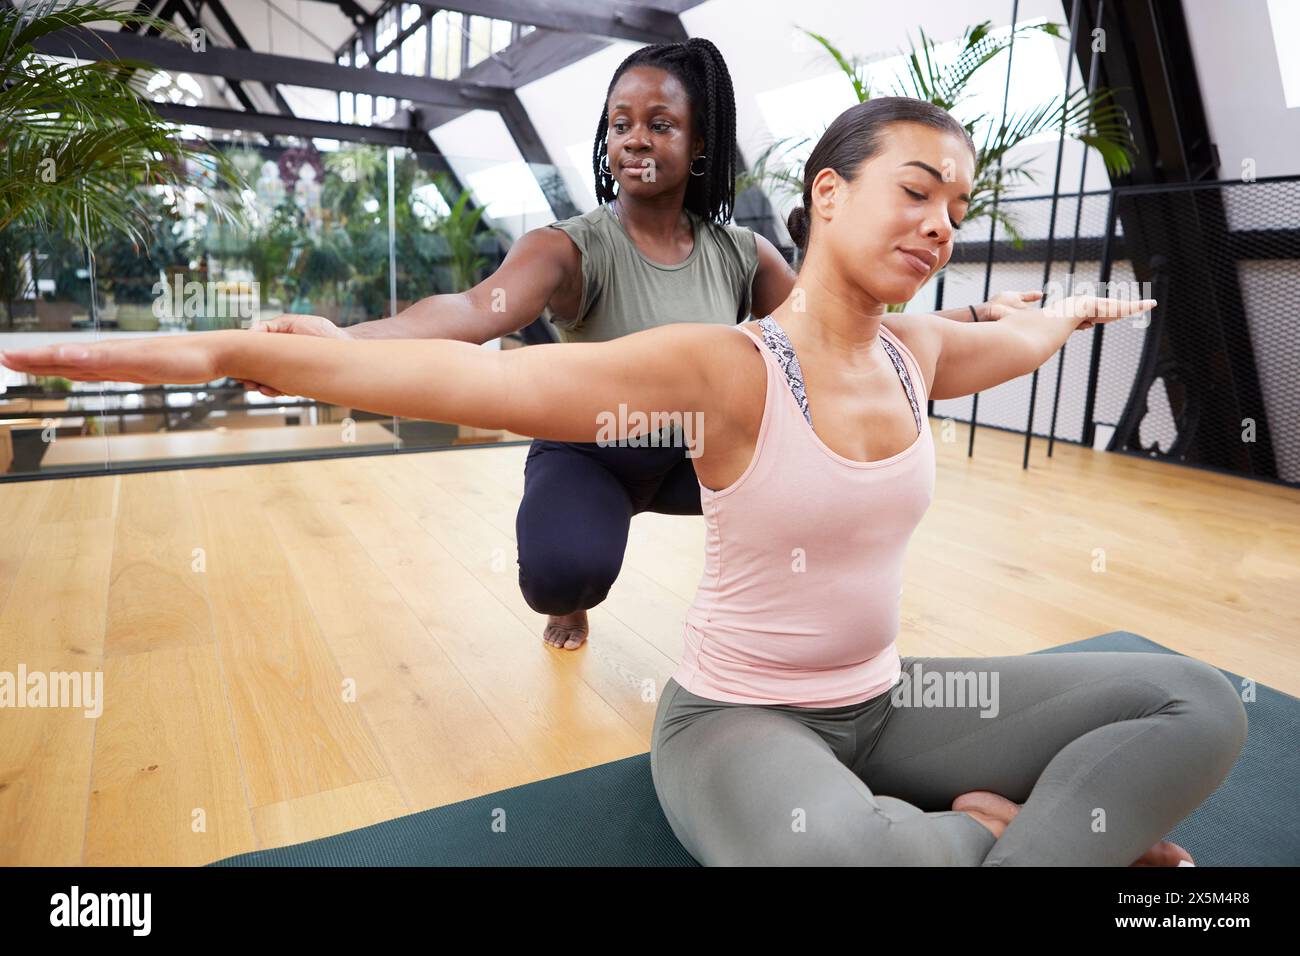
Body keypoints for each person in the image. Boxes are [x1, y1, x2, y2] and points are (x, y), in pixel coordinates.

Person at [0, 96, 1246, 867]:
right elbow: (487, 382)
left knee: (1197, 699)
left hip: (890, 701)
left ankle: (989, 844)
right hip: (741, 724)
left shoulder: (919, 354)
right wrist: (256, 351)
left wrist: (1079, 304)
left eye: (955, 208)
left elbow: (1021, 337)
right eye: (914, 191)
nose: (938, 223)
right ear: (827, 193)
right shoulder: (722, 369)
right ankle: (1015, 839)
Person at [233, 37, 1041, 651]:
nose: (634, 140)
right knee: (560, 576)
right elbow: (466, 312)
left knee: (822, 491)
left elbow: (845, 339)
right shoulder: (568, 249)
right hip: (593, 451)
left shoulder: (741, 252)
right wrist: (341, 343)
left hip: (708, 456)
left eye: (660, 124)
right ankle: (575, 589)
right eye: (620, 124)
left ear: (699, 146)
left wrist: (977, 322)